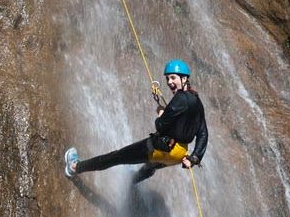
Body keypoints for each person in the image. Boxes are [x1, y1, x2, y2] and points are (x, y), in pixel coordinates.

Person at [64, 59, 208, 183]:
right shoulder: (197, 101)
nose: (169, 82)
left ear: (184, 79)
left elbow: (161, 125)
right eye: (167, 79)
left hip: (161, 149)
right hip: (178, 155)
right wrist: (194, 157)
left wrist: (161, 113)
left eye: (173, 78)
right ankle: (132, 183)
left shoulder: (180, 98)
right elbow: (203, 133)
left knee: (116, 157)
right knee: (150, 167)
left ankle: (75, 167)